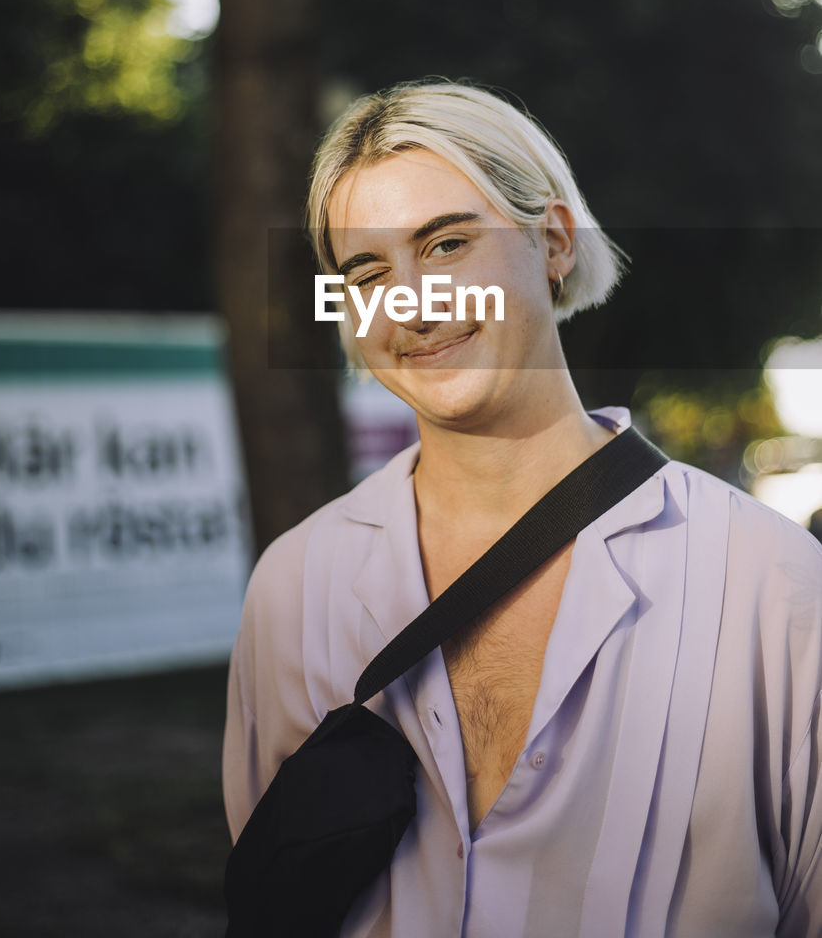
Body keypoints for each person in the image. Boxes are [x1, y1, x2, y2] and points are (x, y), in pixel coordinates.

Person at [222, 79, 822, 937]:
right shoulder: (294, 587)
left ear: (552, 239)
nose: (414, 302)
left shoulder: (770, 583)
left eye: (448, 242)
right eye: (366, 272)